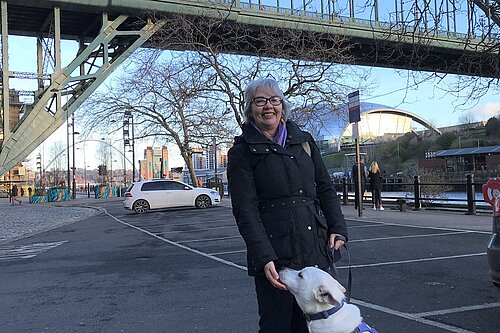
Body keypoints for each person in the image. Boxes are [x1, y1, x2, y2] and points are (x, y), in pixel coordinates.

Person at [227, 78, 348, 333]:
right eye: (260, 101)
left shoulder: (303, 141)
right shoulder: (242, 152)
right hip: (276, 255)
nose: (268, 106)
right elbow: (245, 209)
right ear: (250, 109)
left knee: (321, 326)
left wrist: (337, 226)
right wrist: (264, 257)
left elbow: (325, 188)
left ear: (283, 105)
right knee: (277, 326)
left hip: (315, 248)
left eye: (274, 100)